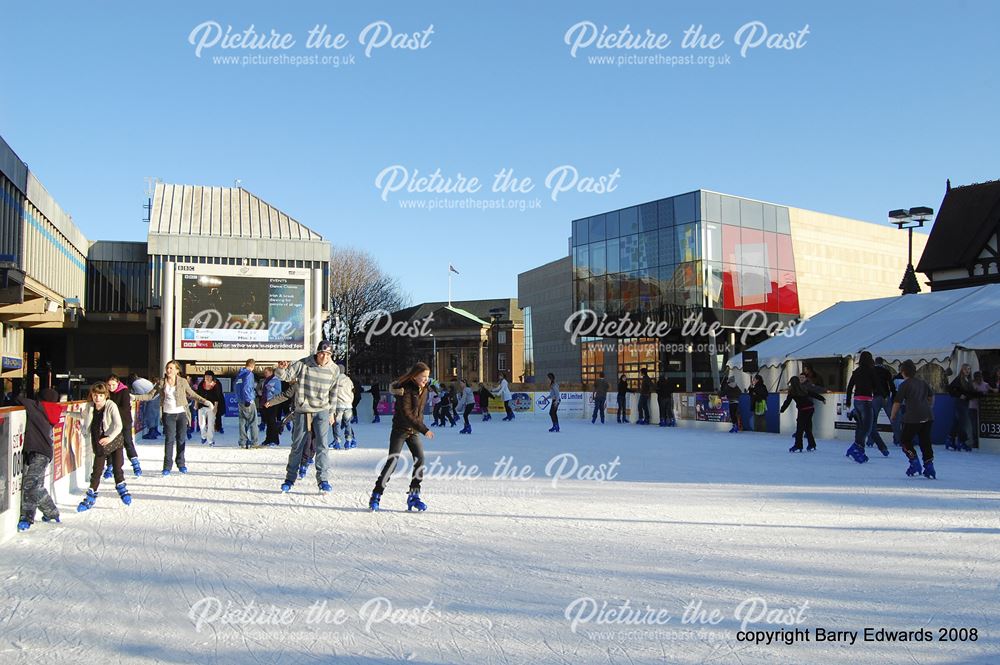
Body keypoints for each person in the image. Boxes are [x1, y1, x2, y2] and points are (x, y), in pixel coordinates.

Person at [274, 340, 341, 494]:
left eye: (328, 354)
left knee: (322, 446)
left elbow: (334, 392)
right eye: (322, 353)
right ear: (317, 353)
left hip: (323, 410)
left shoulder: (334, 369)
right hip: (303, 410)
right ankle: (290, 478)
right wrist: (280, 369)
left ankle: (323, 480)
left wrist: (331, 412)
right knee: (297, 445)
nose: (324, 357)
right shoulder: (303, 364)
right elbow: (286, 375)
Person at [369, 362, 434, 512]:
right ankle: (376, 494)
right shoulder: (405, 390)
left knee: (420, 460)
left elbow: (418, 412)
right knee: (392, 462)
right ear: (415, 375)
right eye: (423, 376)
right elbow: (407, 414)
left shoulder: (424, 389)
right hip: (400, 430)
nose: (426, 379)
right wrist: (424, 429)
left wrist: (419, 427)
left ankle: (414, 495)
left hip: (414, 431)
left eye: (427, 377)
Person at [133, 360, 215, 475]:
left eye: (171, 368)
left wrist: (205, 401)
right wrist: (135, 397)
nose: (168, 370)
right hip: (168, 414)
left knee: (181, 439)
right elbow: (149, 395)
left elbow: (192, 394)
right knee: (169, 440)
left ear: (177, 370)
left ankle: (181, 463)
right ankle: (167, 467)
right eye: (167, 368)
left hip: (181, 414)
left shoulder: (182, 381)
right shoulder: (161, 382)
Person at [67, 382, 132, 511]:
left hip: (114, 441)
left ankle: (122, 490)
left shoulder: (111, 405)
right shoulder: (90, 407)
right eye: (95, 395)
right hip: (99, 443)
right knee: (97, 471)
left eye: (101, 395)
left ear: (105, 396)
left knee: (117, 468)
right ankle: (90, 497)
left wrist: (109, 437)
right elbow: (82, 416)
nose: (97, 398)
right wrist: (66, 413)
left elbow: (119, 425)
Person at [15, 388, 62, 532]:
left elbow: (18, 398)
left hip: (39, 452)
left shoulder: (36, 407)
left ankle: (27, 518)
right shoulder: (53, 410)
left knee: (30, 484)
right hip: (45, 451)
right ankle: (52, 512)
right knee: (37, 486)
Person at [891, 359, 936, 479]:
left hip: (913, 417)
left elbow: (897, 402)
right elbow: (931, 397)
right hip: (928, 416)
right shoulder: (923, 383)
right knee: (925, 441)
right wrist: (928, 407)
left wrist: (893, 415)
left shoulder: (904, 384)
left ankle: (914, 461)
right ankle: (929, 466)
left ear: (902, 372)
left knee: (905, 440)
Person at [845, 351, 884, 462]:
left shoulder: (856, 371)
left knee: (861, 427)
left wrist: (848, 401)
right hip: (866, 401)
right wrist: (883, 395)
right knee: (866, 428)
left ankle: (857, 449)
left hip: (857, 401)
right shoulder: (871, 371)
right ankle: (857, 449)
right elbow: (877, 385)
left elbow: (849, 387)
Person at [105, 374, 142, 477]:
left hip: (124, 421)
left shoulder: (124, 391)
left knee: (128, 442)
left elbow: (125, 407)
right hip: (112, 423)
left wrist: (111, 410)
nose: (111, 387)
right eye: (109, 385)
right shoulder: (107, 393)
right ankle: (110, 466)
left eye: (113, 384)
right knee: (110, 444)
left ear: (118, 383)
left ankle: (135, 464)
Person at [780, 376, 826, 452]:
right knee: (807, 427)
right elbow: (813, 394)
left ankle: (798, 445)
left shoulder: (792, 391)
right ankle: (812, 444)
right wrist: (822, 398)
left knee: (799, 429)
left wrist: (782, 409)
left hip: (803, 410)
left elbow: (787, 402)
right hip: (810, 408)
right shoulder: (803, 388)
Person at [866, 357, 896, 450]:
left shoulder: (871, 371)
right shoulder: (886, 371)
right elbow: (891, 385)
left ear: (875, 362)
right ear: (883, 362)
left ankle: (870, 441)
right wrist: (893, 396)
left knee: (873, 420)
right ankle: (897, 440)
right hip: (886, 397)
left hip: (875, 397)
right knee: (893, 418)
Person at [946, 363, 976, 452]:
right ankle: (962, 441)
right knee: (962, 422)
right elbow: (950, 389)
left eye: (969, 369)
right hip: (960, 403)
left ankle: (950, 439)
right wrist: (959, 395)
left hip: (965, 403)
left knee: (957, 422)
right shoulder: (959, 379)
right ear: (962, 370)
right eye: (966, 369)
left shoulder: (969, 380)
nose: (968, 371)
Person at [195, 371, 225, 446]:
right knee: (201, 423)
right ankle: (203, 436)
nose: (207, 378)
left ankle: (210, 440)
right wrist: (196, 404)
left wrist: (215, 408)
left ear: (212, 377)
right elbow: (197, 395)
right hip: (202, 406)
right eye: (206, 376)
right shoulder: (201, 384)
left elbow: (217, 397)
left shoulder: (215, 385)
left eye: (209, 376)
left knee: (211, 424)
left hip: (211, 407)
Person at [234, 359, 258, 449]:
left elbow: (236, 386)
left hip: (240, 401)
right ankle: (254, 442)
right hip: (248, 401)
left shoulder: (240, 374)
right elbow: (247, 387)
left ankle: (243, 442)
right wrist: (248, 399)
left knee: (242, 422)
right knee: (253, 421)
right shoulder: (249, 374)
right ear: (253, 366)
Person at [970, 371, 995, 450]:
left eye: (979, 377)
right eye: (977, 378)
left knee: (980, 425)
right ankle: (975, 442)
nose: (978, 379)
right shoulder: (972, 385)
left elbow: (993, 391)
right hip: (973, 407)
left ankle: (981, 442)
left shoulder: (986, 385)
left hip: (983, 409)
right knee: (974, 426)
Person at [130, 373, 160, 439]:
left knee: (150, 415)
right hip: (157, 396)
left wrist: (134, 395)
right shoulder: (142, 379)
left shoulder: (135, 383)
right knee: (155, 414)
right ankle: (155, 430)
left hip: (151, 398)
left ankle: (151, 433)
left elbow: (141, 393)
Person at [332, 370, 356, 449]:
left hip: (338, 405)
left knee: (337, 424)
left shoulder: (335, 379)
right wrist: (350, 401)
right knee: (347, 423)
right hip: (348, 405)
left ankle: (337, 442)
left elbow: (332, 392)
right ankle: (348, 441)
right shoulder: (349, 380)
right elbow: (352, 391)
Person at [260, 367, 283, 446]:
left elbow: (279, 392)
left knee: (272, 422)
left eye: (266, 372)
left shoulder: (276, 380)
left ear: (270, 372)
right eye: (264, 372)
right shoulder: (265, 380)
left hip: (273, 403)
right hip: (265, 403)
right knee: (268, 422)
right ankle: (268, 439)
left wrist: (271, 388)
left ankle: (274, 440)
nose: (265, 374)